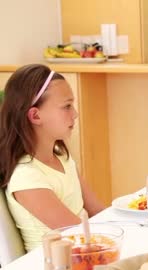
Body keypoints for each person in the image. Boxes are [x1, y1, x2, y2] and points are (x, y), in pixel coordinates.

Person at [0, 64, 105, 252]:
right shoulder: (27, 177)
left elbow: (99, 212)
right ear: (35, 115)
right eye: (66, 106)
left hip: (83, 254)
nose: (75, 114)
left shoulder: (63, 158)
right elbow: (78, 235)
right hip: (55, 269)